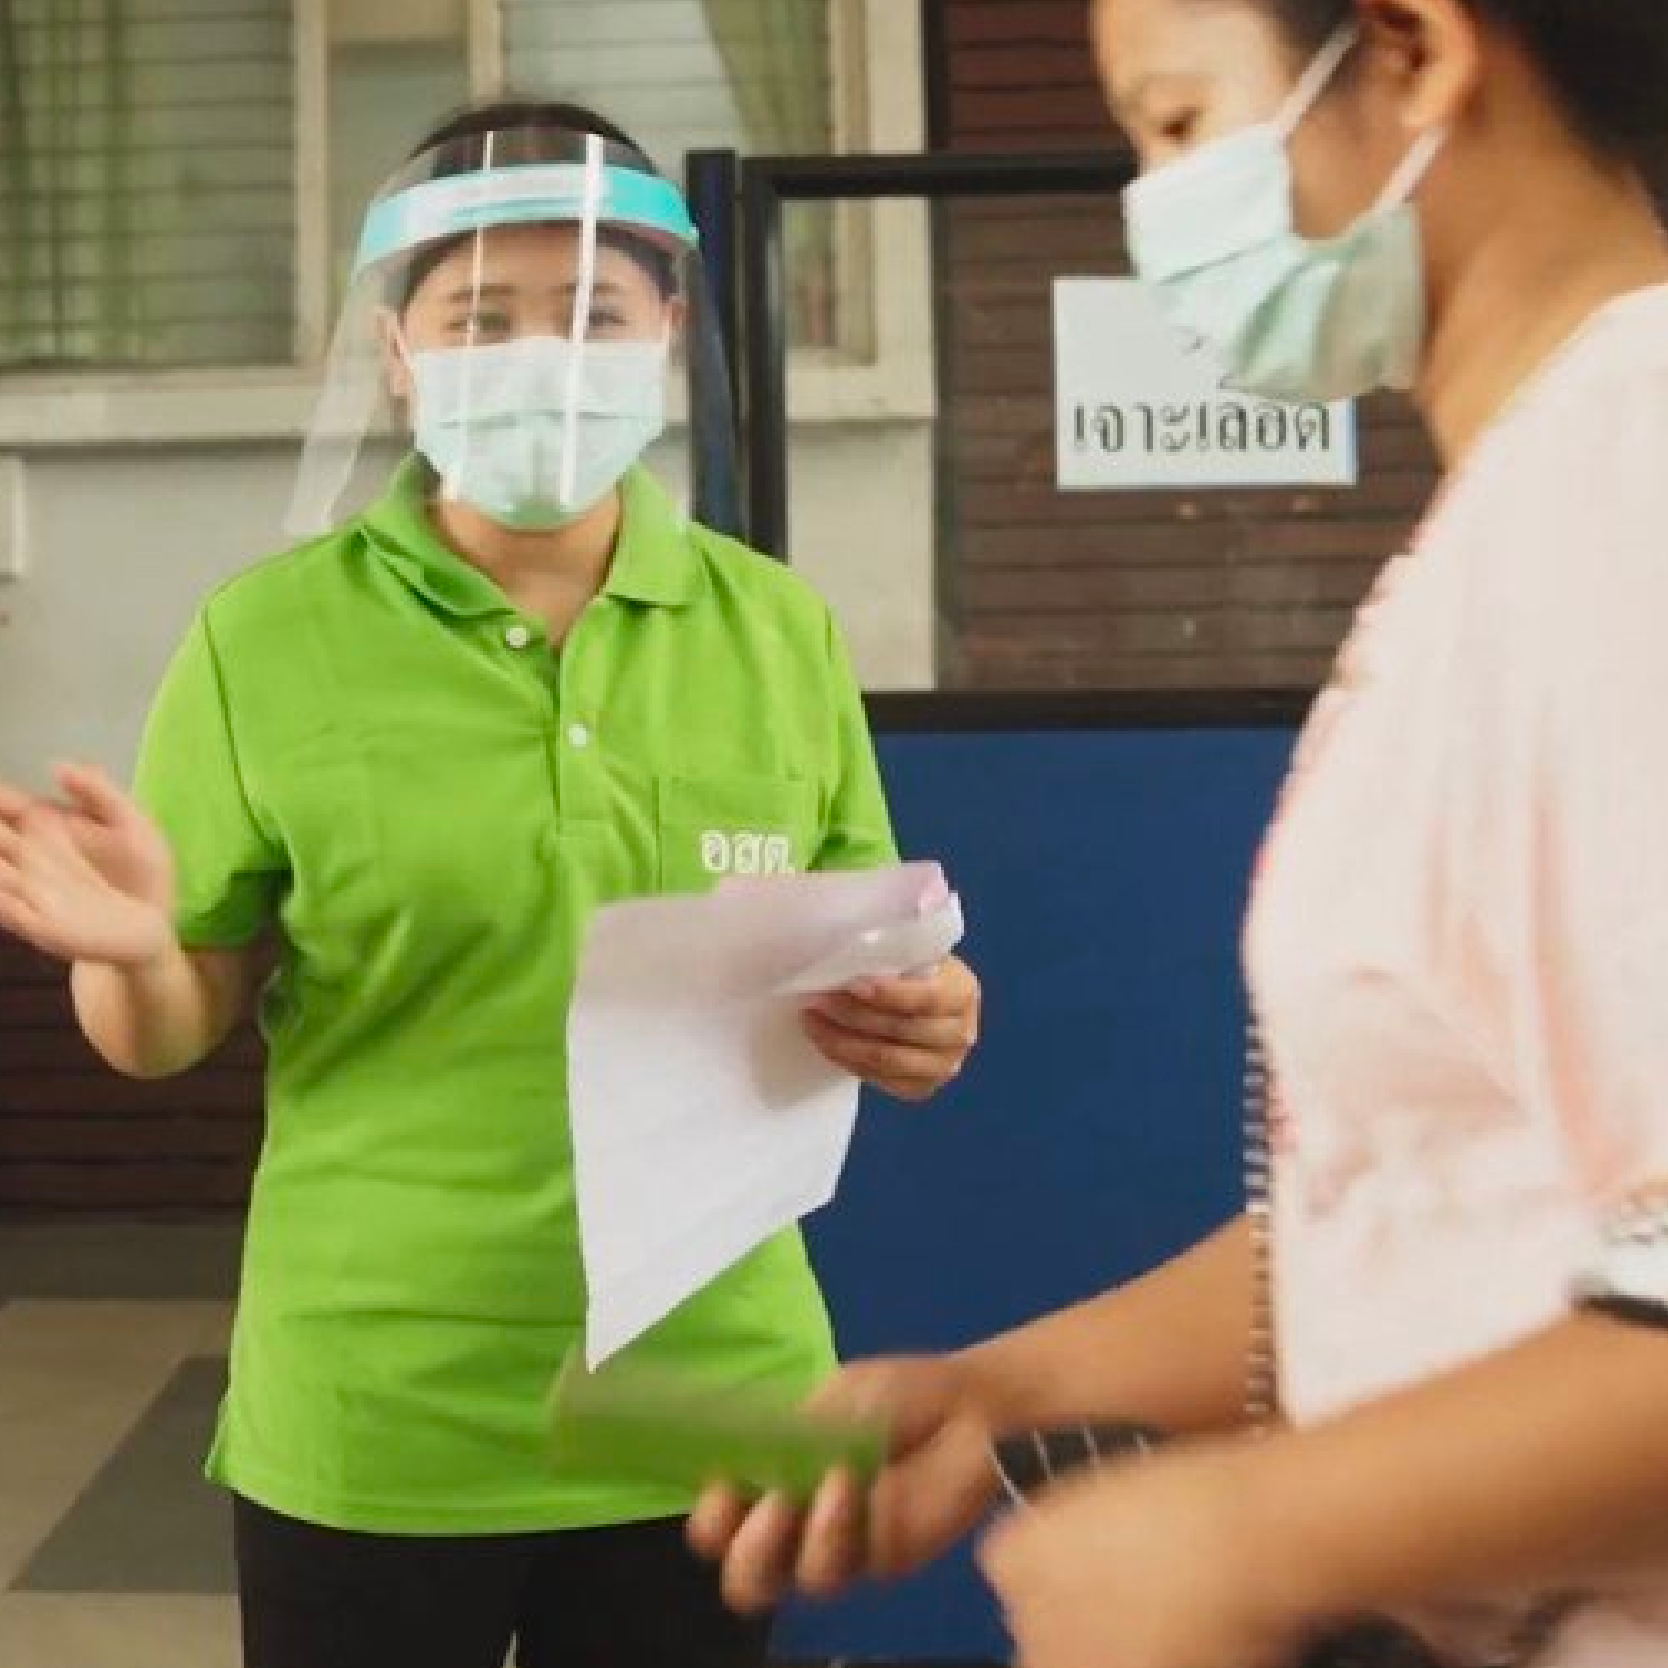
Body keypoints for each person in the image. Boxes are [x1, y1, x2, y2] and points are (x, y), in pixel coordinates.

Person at [692, 3, 1668, 1665]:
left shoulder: (1626, 494)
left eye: (1173, 120)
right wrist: (1014, 1395)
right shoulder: (1511, 508)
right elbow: (1429, 1196)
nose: (1151, 207)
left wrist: (1235, 1541)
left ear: (1417, 51)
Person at [0, 100, 980, 1668]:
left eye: (593, 309)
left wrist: (926, 1011)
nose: (541, 354)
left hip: (706, 1400)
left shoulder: (776, 629)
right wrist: (130, 952)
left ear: (665, 330)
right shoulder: (263, 640)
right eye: (481, 316)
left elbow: (865, 941)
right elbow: (165, 1032)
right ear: (401, 353)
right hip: (378, 1410)